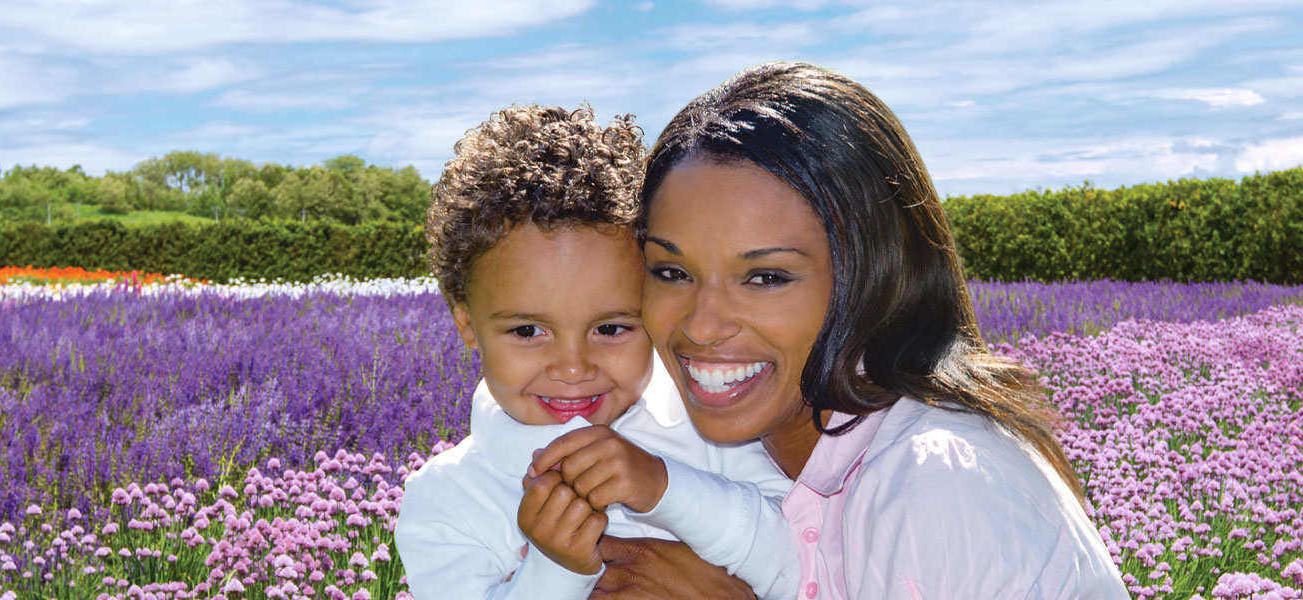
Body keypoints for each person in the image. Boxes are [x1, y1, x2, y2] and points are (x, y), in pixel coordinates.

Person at [539, 61, 1130, 599]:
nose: (702, 323)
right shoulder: (737, 456)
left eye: (766, 277)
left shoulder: (935, 480)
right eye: (672, 271)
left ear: (872, 274)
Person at [395, 104, 798, 600]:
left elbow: (799, 562)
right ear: (466, 323)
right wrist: (556, 569)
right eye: (527, 331)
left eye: (610, 328)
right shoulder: (448, 497)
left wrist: (662, 486)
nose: (572, 368)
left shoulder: (713, 432)